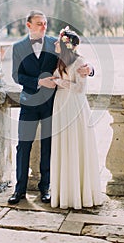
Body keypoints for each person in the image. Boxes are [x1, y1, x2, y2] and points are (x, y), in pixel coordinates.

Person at [8, 11, 93, 205]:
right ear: (28, 25)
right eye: (39, 23)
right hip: (28, 103)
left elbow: (75, 59)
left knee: (48, 146)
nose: (44, 26)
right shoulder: (18, 47)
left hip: (52, 105)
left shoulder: (56, 43)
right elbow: (17, 76)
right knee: (23, 146)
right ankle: (19, 190)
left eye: (45, 23)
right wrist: (39, 81)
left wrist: (91, 69)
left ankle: (45, 188)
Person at [50, 26, 102, 209]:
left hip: (74, 106)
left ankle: (80, 195)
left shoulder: (80, 62)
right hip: (60, 106)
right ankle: (64, 194)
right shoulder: (60, 60)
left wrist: (58, 81)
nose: (55, 43)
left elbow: (80, 89)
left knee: (75, 145)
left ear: (66, 45)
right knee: (63, 147)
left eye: (58, 41)